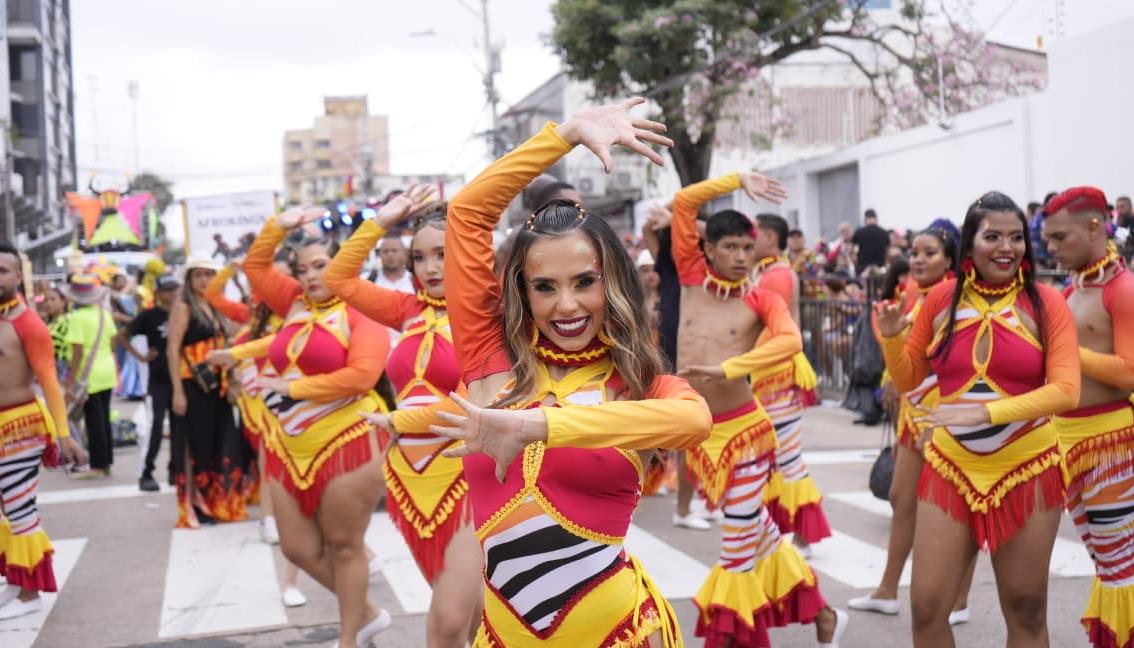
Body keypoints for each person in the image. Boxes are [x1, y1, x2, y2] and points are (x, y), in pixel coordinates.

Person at [422, 98, 712, 647]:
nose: (566, 306)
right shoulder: (490, 360)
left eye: (584, 281)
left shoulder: (636, 381)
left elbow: (694, 421)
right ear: (522, 292)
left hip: (616, 633)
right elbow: (466, 215)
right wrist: (565, 135)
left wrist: (536, 426)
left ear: (613, 284)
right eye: (545, 287)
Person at [877, 191, 1080, 647]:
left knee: (1026, 609)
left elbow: (1067, 391)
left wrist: (984, 411)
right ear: (969, 245)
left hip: (1027, 469)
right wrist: (891, 341)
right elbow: (910, 380)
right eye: (993, 237)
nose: (1006, 248)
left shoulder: (1046, 302)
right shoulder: (942, 299)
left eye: (1016, 237)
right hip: (951, 468)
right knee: (927, 609)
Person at [670, 170, 847, 647]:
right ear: (708, 249)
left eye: (748, 249)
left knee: (735, 553)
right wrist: (734, 180)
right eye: (730, 248)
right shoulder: (689, 276)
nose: (741, 257)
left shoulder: (761, 296)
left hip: (745, 434)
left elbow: (790, 341)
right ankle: (825, 612)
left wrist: (729, 368)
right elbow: (684, 202)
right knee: (758, 530)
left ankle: (730, 639)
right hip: (701, 433)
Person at [324, 185, 485, 647]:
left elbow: (469, 401)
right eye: (420, 257)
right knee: (471, 621)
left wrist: (398, 421)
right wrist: (380, 221)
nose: (430, 268)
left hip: (466, 480)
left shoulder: (486, 315)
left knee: (446, 623)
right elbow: (340, 279)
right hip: (409, 482)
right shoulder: (408, 311)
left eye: (442, 253)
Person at [236, 208, 393, 648]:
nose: (308, 276)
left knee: (344, 546)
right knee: (297, 549)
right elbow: (255, 267)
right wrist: (277, 226)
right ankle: (364, 614)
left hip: (349, 438)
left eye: (320, 266)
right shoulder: (293, 304)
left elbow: (363, 375)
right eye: (302, 269)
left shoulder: (363, 309)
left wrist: (294, 386)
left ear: (344, 264)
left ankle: (349, 638)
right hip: (291, 441)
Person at [851, 227, 975, 625]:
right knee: (901, 499)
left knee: (957, 510)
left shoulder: (957, 298)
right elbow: (907, 352)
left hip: (944, 416)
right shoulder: (913, 294)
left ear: (950, 260)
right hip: (911, 412)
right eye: (914, 252)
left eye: (930, 252)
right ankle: (887, 589)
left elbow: (956, 363)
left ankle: (960, 598)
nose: (918, 259)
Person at [1043, 186, 1134, 648]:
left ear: (1095, 227)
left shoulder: (1123, 289)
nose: (1052, 248)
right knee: (1105, 561)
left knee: (1121, 566)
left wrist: (1068, 352)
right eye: (1049, 239)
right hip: (1068, 444)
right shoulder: (1074, 286)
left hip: (1110, 443)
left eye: (1060, 237)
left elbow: (1130, 372)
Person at [204, 259, 308, 609]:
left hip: (286, 395)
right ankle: (269, 520)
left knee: (276, 460)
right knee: (268, 459)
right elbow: (212, 295)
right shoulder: (248, 313)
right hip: (255, 399)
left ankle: (278, 519)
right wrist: (230, 271)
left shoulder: (294, 314)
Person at [0, 243, 86, 619]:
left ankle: (29, 595)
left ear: (19, 276)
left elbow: (49, 381)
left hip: (20, 429)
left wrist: (65, 434)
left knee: (20, 509)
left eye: (3, 270)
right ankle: (16, 579)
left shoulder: (27, 322)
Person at [751, 213, 831, 557]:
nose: (745, 246)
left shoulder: (776, 275)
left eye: (750, 237)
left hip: (776, 375)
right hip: (771, 373)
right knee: (774, 457)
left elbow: (769, 326)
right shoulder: (771, 271)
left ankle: (803, 534)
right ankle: (787, 532)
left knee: (787, 457)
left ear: (769, 237)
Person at [640, 202, 714, 531]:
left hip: (702, 344)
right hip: (675, 340)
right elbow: (646, 233)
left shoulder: (706, 258)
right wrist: (666, 221)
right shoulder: (670, 260)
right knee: (684, 421)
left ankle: (704, 498)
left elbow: (719, 232)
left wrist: (681, 218)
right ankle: (681, 505)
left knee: (707, 425)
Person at [166, 259, 249, 528]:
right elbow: (172, 350)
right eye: (198, 275)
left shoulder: (217, 307)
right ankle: (199, 506)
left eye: (209, 275)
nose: (203, 280)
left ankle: (218, 503)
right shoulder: (183, 307)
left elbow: (238, 333)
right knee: (198, 448)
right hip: (193, 387)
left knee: (220, 445)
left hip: (218, 387)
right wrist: (178, 392)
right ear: (189, 279)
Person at [117, 273, 180, 491]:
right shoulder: (149, 316)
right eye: (167, 290)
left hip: (180, 380)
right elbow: (121, 336)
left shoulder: (184, 313)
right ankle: (147, 473)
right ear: (159, 294)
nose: (172, 294)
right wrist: (141, 357)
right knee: (155, 427)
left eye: (175, 289)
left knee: (179, 428)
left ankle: (175, 471)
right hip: (158, 380)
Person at [62, 273, 118, 479]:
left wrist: (70, 381)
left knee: (93, 421)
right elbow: (113, 343)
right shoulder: (104, 314)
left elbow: (77, 353)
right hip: (107, 372)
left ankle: (98, 465)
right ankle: (107, 462)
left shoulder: (76, 318)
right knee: (103, 418)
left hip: (89, 376)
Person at [111, 271, 146, 400]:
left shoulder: (137, 293)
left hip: (133, 332)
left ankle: (134, 389)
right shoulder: (116, 296)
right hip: (123, 332)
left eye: (122, 280)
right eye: (118, 280)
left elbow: (137, 316)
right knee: (126, 360)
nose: (121, 283)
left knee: (132, 361)